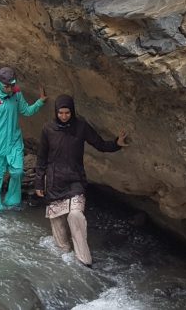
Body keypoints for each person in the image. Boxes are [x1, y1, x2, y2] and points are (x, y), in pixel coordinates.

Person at [35, 95, 128, 267]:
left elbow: (99, 144)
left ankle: (84, 260)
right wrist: (39, 183)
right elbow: (41, 157)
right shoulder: (48, 128)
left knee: (76, 215)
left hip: (75, 179)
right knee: (59, 230)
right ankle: (65, 262)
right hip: (54, 181)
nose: (64, 116)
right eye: (60, 113)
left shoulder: (81, 127)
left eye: (67, 113)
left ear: (72, 111)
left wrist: (117, 143)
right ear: (56, 112)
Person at [0, 67, 46, 211]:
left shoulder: (16, 93)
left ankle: (12, 201)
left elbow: (25, 111)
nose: (10, 89)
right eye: (6, 86)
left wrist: (40, 102)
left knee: (18, 171)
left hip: (14, 140)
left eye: (12, 85)